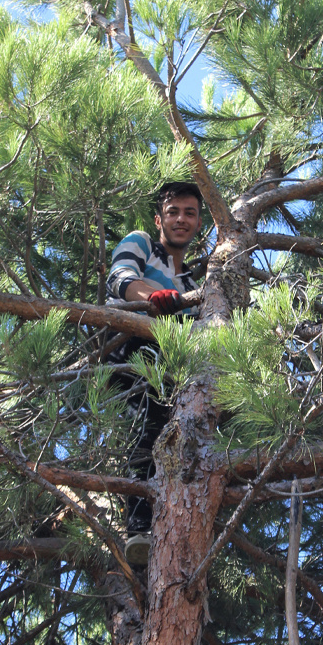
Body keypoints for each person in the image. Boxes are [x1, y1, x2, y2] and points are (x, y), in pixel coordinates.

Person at [106, 181, 204, 565]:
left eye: (190, 213)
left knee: (180, 434)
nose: (181, 219)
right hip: (133, 344)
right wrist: (151, 299)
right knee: (150, 419)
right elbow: (120, 277)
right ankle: (139, 527)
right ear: (159, 218)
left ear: (198, 222)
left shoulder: (193, 284)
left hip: (174, 361)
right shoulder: (143, 243)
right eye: (174, 212)